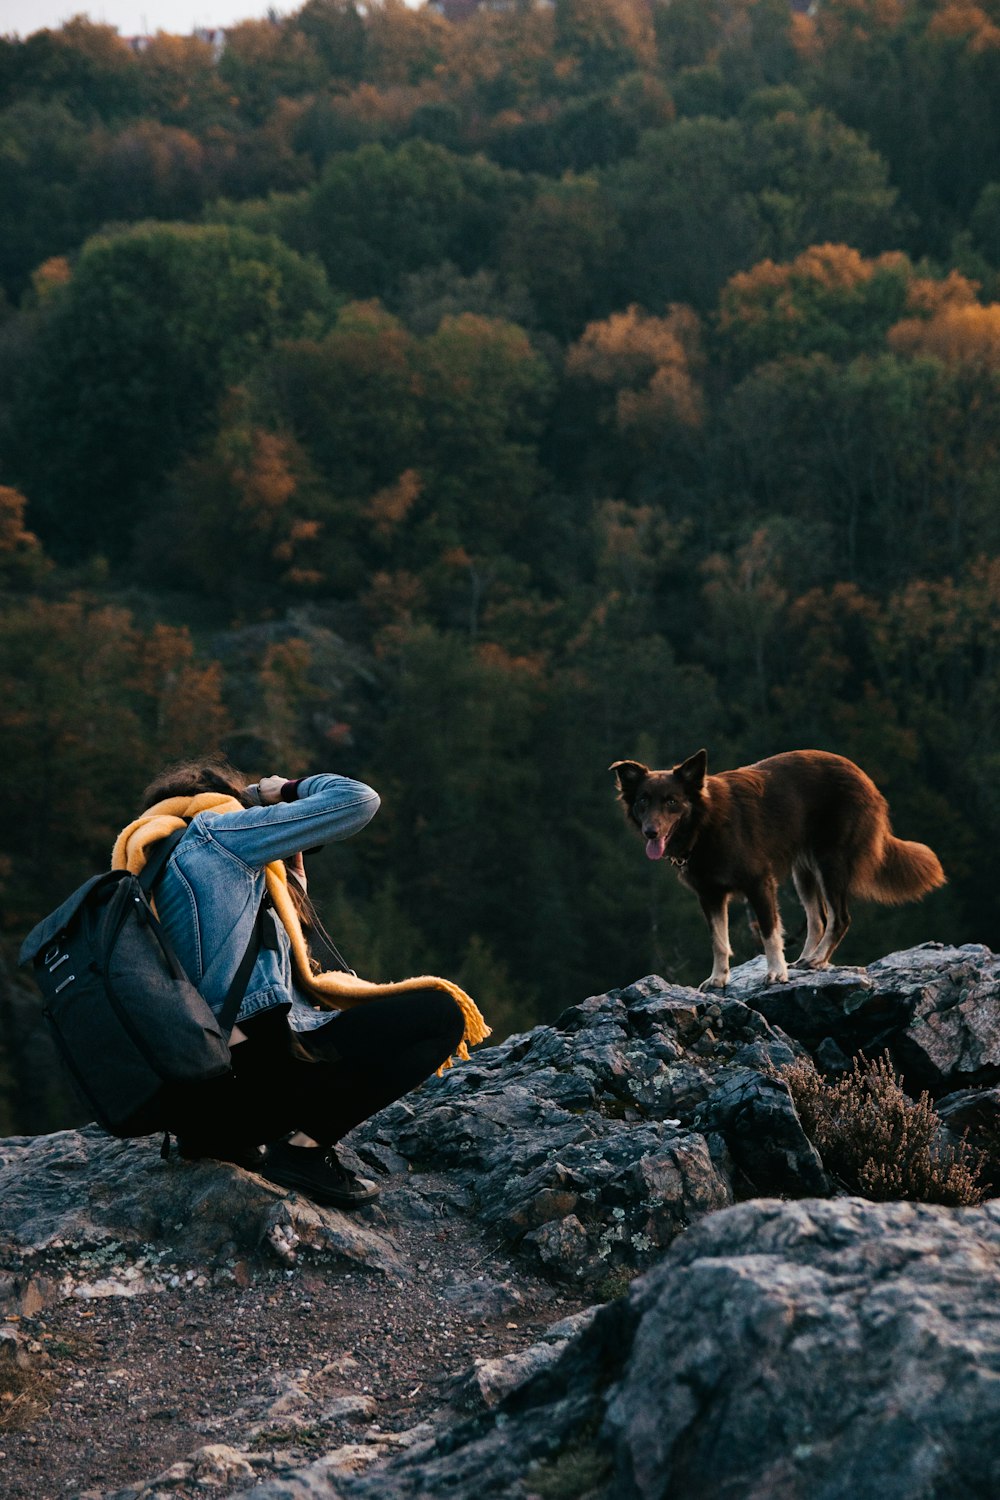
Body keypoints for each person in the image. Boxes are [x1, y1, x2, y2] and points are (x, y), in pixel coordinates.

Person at [111, 759, 489, 1208]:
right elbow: (358, 800)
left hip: (201, 1113)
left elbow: (237, 967)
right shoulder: (215, 835)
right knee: (439, 1015)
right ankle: (303, 1153)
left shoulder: (151, 876)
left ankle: (250, 1143)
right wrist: (282, 790)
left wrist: (293, 888)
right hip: (258, 1078)